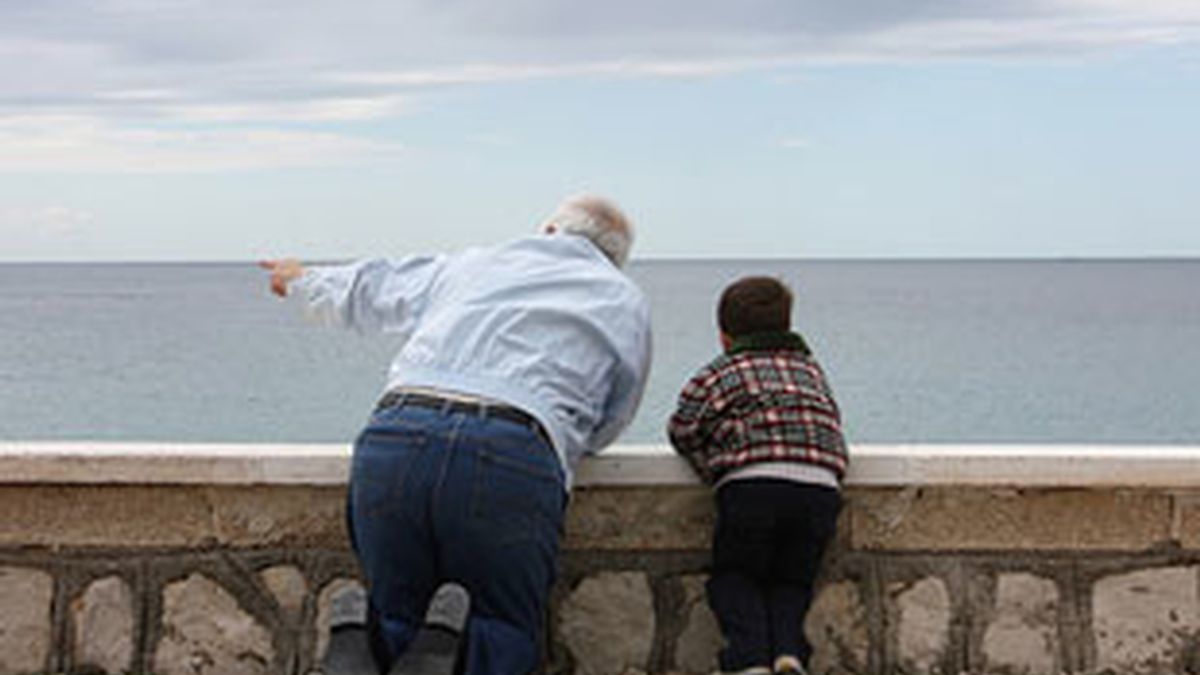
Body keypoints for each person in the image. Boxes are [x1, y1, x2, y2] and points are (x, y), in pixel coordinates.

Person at [260, 195, 652, 675]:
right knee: (501, 624)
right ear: (616, 259)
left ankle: (371, 651)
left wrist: (299, 280)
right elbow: (615, 411)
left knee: (398, 614)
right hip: (513, 445)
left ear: (549, 230)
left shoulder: (477, 263)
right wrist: (568, 442)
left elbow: (371, 288)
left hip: (397, 432)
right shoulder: (622, 298)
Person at [667, 276, 847, 675]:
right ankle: (787, 654)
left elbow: (682, 427)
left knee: (735, 576)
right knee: (792, 582)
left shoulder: (722, 371)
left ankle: (749, 660)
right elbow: (832, 420)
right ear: (787, 325)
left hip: (753, 486)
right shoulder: (810, 372)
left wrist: (711, 465)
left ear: (724, 335)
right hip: (820, 486)